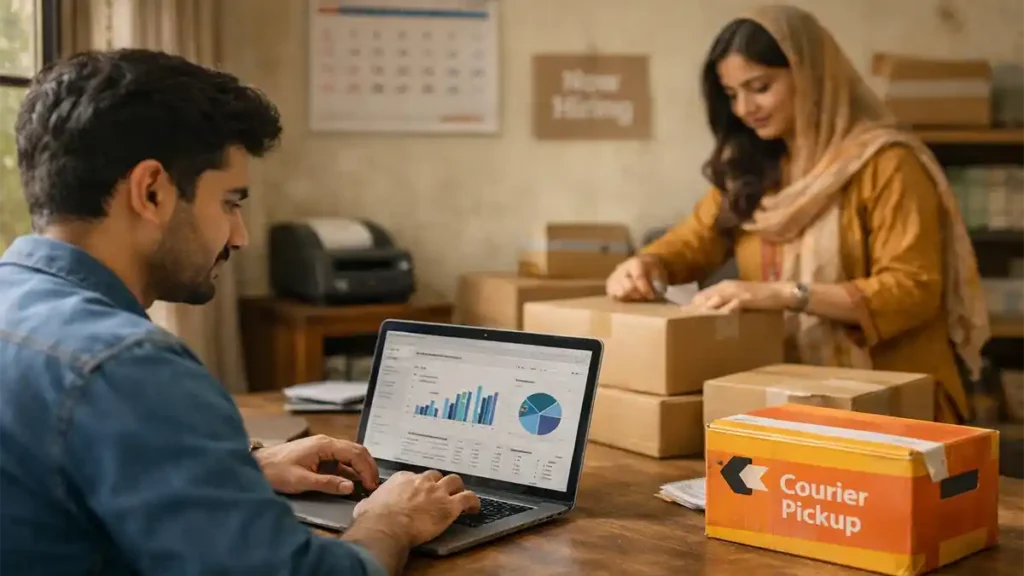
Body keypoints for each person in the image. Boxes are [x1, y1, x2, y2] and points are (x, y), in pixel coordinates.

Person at [0, 48, 478, 576]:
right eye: (230, 202)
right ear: (152, 191)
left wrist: (235, 469)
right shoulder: (129, 366)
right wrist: (391, 519)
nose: (241, 236)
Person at [605, 5, 990, 424]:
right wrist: (647, 263)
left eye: (760, 86)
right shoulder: (750, 170)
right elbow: (693, 240)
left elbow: (913, 288)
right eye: (732, 94)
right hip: (790, 403)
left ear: (811, 75)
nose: (744, 108)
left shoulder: (886, 164)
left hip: (894, 405)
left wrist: (783, 294)